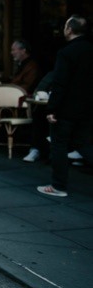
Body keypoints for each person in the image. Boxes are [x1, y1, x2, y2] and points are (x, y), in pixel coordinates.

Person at [37, 15, 93, 198]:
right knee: (84, 144)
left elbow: (60, 83)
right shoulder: (90, 49)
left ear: (69, 30)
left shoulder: (66, 53)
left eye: (65, 26)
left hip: (67, 108)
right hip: (87, 107)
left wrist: (52, 108)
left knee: (59, 145)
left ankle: (58, 186)